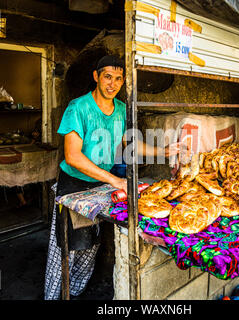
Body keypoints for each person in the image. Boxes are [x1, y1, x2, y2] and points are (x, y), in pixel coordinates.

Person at [44, 55, 180, 300]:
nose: (113, 83)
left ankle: (76, 291)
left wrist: (163, 151)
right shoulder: (78, 107)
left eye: (118, 78)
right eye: (107, 76)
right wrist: (114, 180)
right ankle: (54, 296)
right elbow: (73, 156)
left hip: (101, 184)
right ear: (96, 77)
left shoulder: (121, 110)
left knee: (90, 244)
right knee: (64, 248)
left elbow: (129, 143)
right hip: (74, 185)